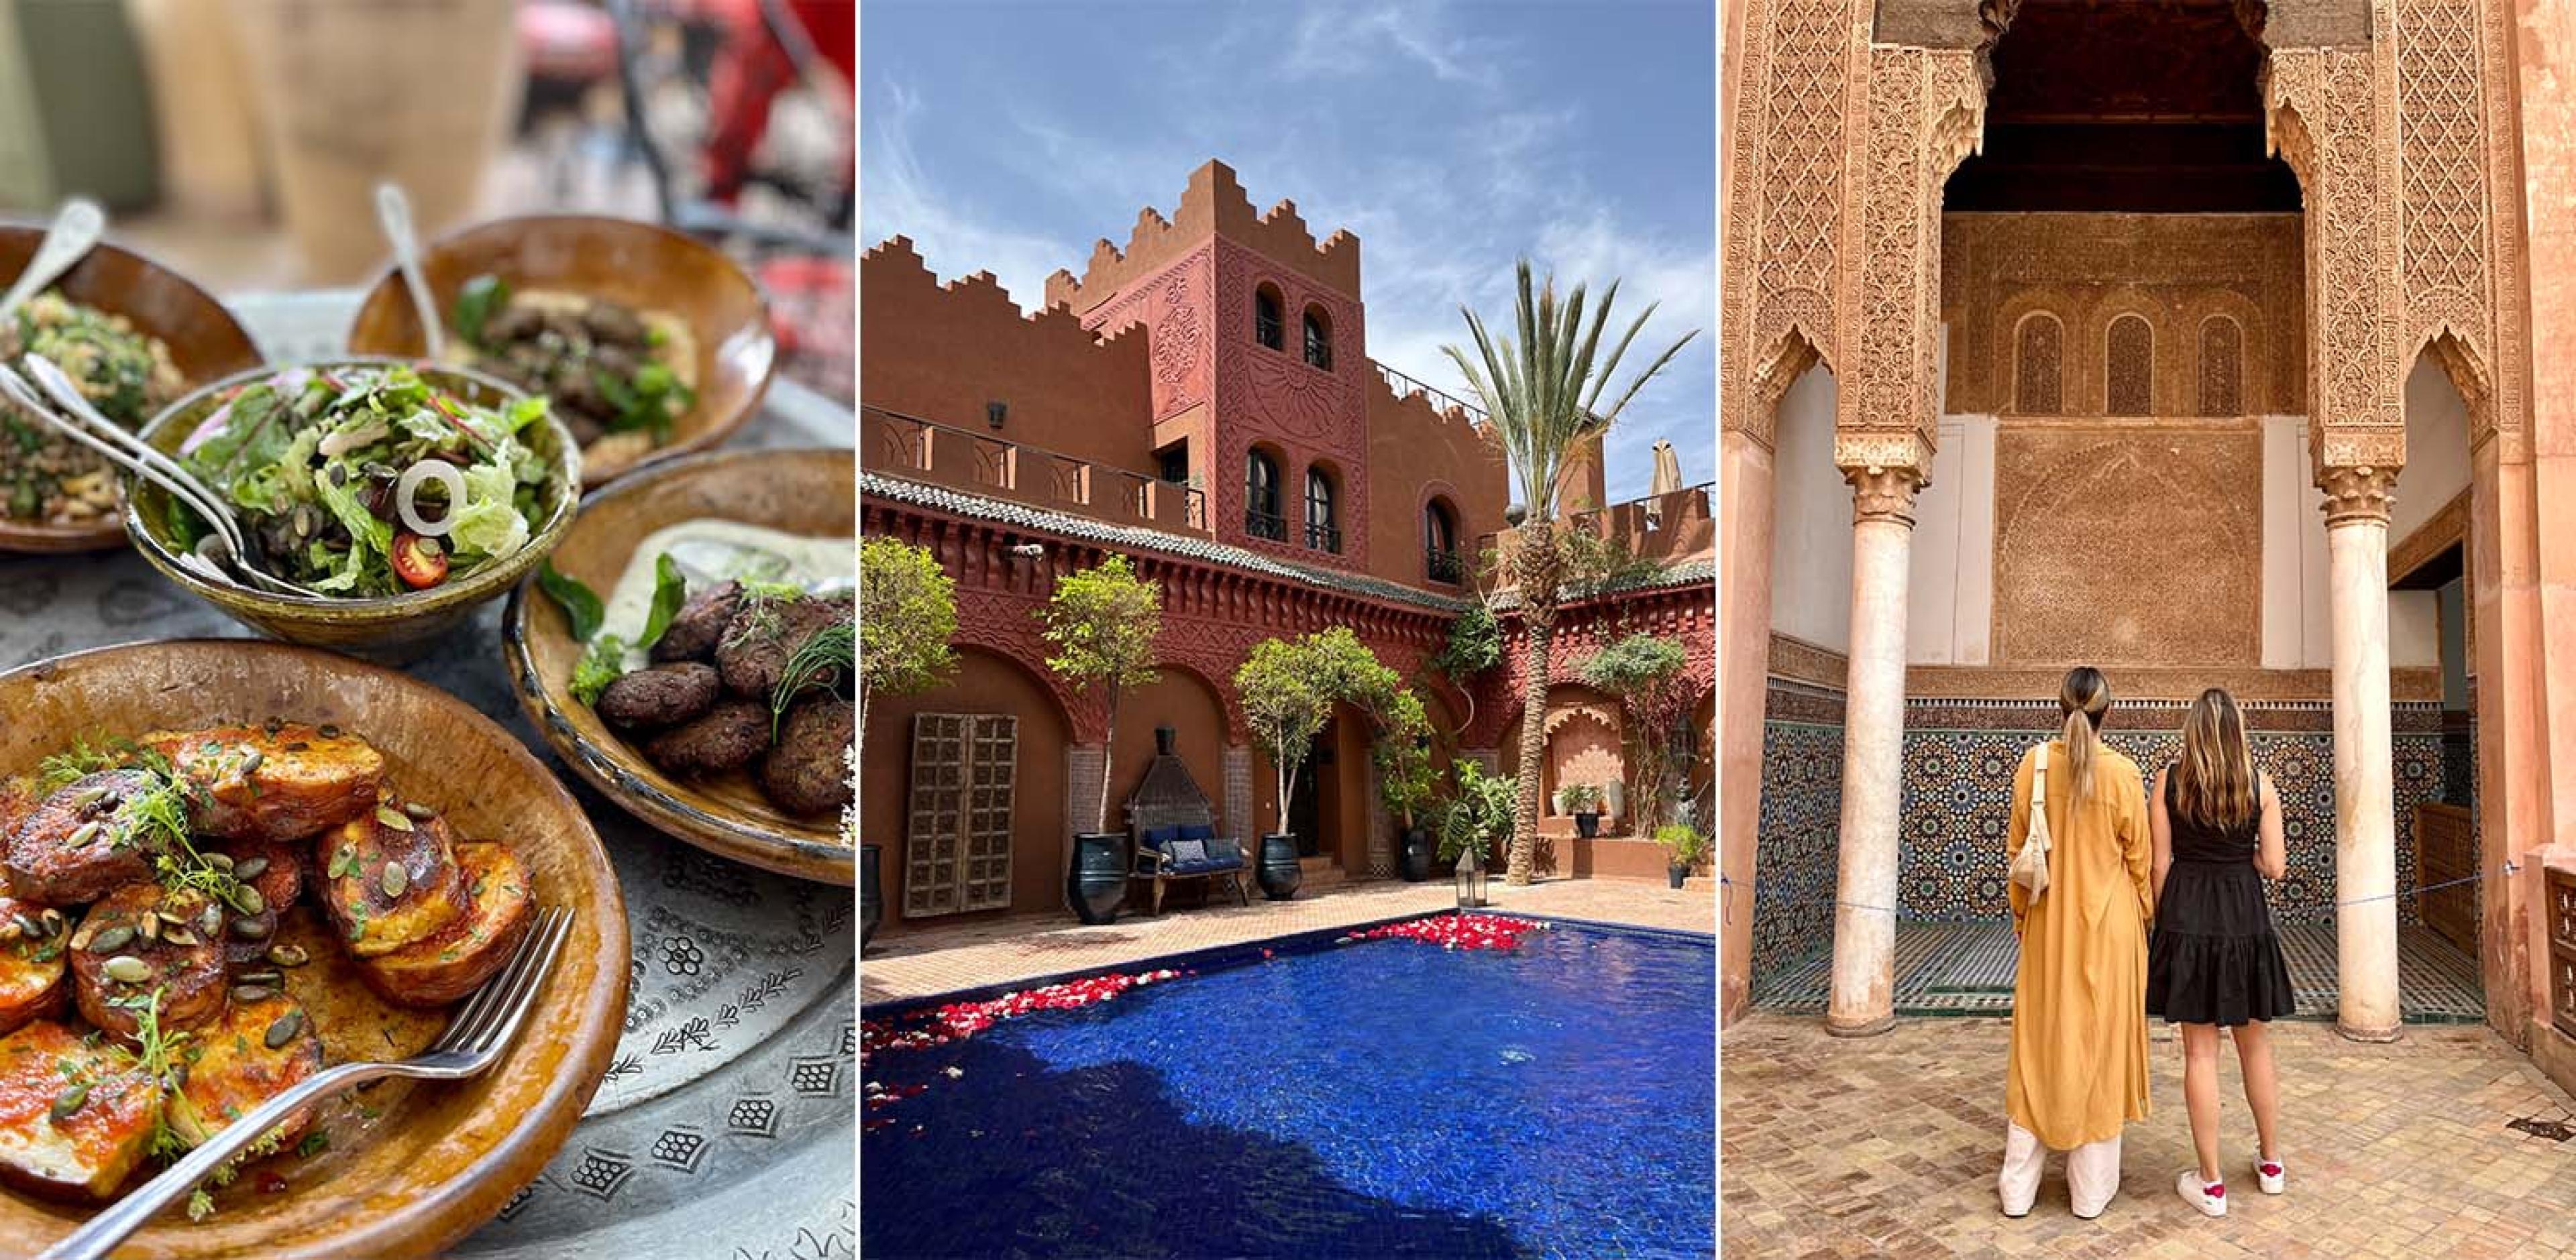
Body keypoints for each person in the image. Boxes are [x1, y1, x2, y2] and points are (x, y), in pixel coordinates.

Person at [2000, 666, 2154, 1220]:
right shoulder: (2124, 774)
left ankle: (2018, 1188)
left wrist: (2024, 920)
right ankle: (2090, 1192)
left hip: (2048, 928)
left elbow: (2018, 854)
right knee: (2101, 1045)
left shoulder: (2033, 767)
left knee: (2041, 1045)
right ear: (2108, 712)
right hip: (2111, 935)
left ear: (2059, 708)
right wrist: (2146, 917)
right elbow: (2140, 863)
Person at [2146, 687, 2295, 1218]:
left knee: (2200, 1053)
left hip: (2187, 915)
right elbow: (2275, 865)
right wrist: (2248, 855)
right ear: (2237, 729)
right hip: (2244, 918)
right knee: (2255, 1047)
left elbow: (2159, 863)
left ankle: (2210, 1183)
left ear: (2192, 730)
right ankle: (2272, 1164)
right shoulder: (2260, 784)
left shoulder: (2168, 780)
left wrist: (2166, 925)